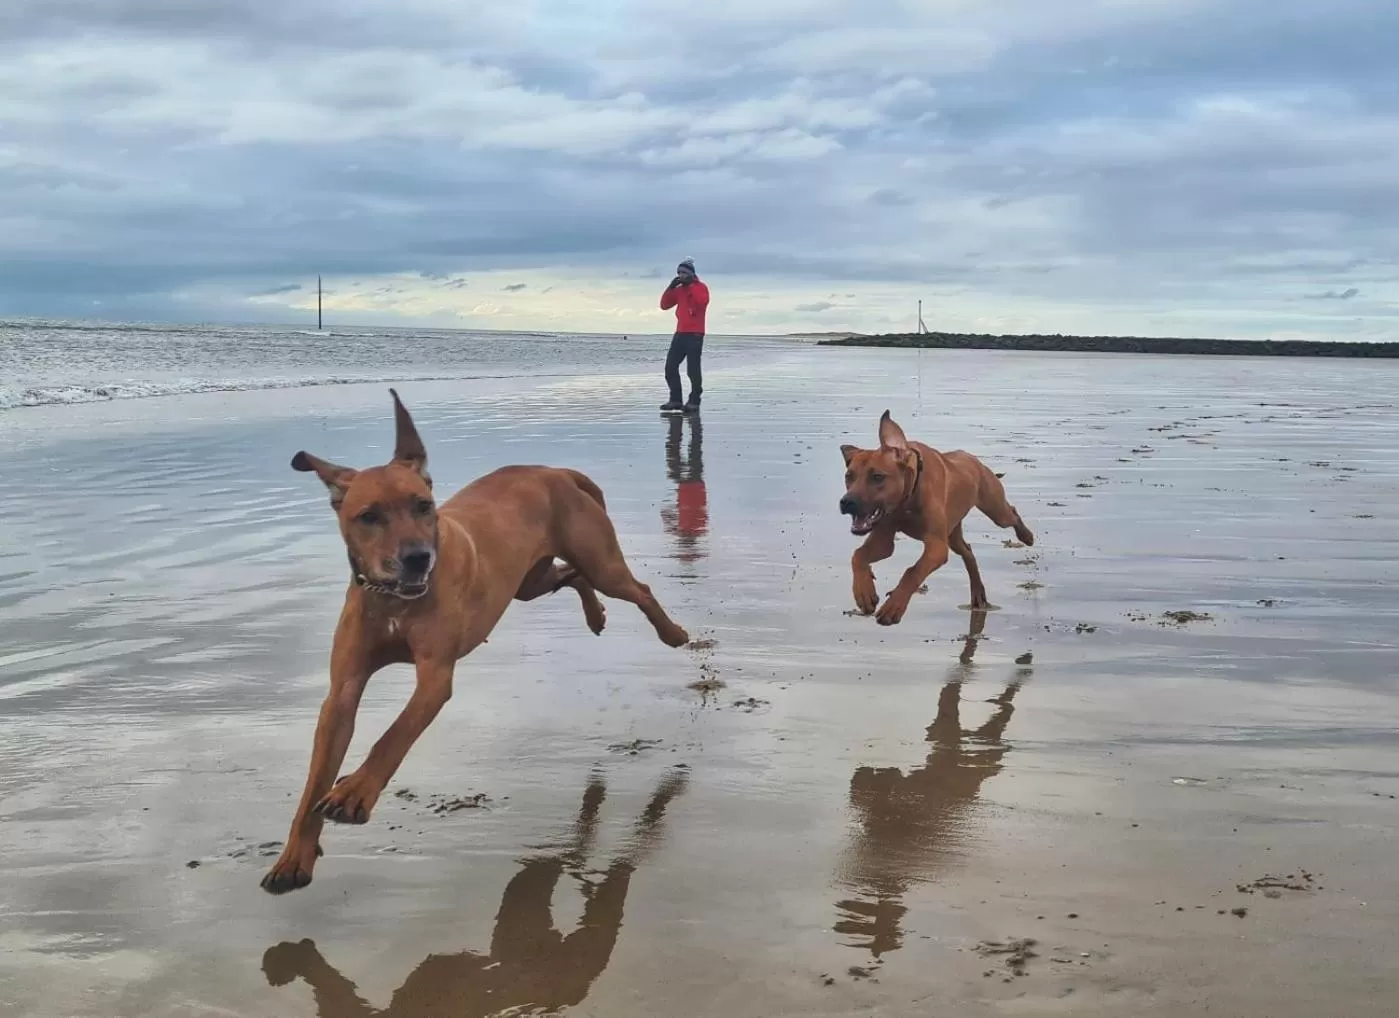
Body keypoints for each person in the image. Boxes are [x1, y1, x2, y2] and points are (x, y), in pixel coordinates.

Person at [658, 258, 710, 412]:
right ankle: (675, 400)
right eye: (679, 273)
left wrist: (691, 285)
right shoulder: (679, 290)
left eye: (684, 273)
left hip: (695, 334)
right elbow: (664, 305)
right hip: (680, 333)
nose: (681, 275)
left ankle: (694, 400)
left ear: (691, 274)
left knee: (692, 370)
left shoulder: (701, 287)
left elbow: (702, 302)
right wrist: (670, 288)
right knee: (670, 367)